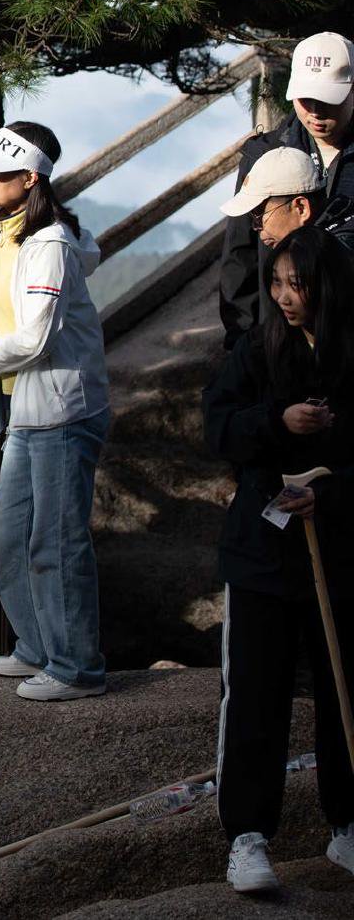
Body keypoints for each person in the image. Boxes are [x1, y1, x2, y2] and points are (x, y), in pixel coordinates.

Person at [202, 226, 354, 893]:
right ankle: (247, 836)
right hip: (261, 552)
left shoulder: (352, 352)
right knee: (256, 695)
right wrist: (276, 421)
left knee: (343, 689)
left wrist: (331, 491)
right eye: (278, 282)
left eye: (300, 283)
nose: (287, 296)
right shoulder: (257, 349)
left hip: (340, 549)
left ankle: (347, 825)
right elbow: (218, 426)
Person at [0, 121, 112, 702]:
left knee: (56, 539)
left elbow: (37, 338)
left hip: (63, 409)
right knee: (9, 530)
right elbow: (90, 249)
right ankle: (37, 648)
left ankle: (76, 667)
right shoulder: (15, 234)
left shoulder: (46, 243)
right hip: (30, 407)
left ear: (29, 178)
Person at [221, 31, 354, 347]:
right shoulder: (263, 156)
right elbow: (240, 258)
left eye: (328, 98)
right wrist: (243, 347)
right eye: (305, 98)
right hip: (278, 345)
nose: (315, 111)